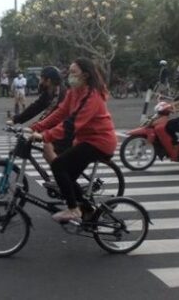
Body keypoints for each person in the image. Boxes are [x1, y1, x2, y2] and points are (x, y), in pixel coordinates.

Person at [30, 59, 117, 222]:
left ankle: (73, 209)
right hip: (85, 140)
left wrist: (45, 136)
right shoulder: (74, 91)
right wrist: (36, 127)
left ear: (85, 75)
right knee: (67, 178)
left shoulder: (92, 95)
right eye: (69, 72)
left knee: (58, 164)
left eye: (73, 72)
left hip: (99, 141)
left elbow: (72, 123)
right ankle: (88, 211)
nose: (69, 76)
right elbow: (60, 113)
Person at [10, 66, 67, 164]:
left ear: (48, 80)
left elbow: (51, 114)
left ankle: (63, 177)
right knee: (48, 153)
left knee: (50, 151)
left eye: (41, 78)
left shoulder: (60, 93)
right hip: (59, 128)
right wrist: (16, 119)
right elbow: (36, 107)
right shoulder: (49, 92)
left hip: (67, 130)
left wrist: (35, 128)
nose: (40, 81)